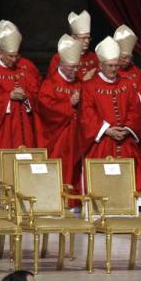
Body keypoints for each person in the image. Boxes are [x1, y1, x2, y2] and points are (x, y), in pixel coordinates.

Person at [79, 37, 141, 191]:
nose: (113, 70)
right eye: (109, 66)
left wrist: (127, 129)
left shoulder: (127, 84)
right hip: (101, 141)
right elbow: (87, 113)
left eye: (116, 66)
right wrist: (107, 130)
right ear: (100, 65)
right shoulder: (90, 86)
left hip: (125, 140)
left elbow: (135, 110)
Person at [0, 20, 40, 184]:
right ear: (0, 52)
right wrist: (8, 97)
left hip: (23, 127)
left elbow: (36, 93)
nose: (14, 59)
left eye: (16, 55)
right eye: (10, 56)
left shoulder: (24, 71)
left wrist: (26, 98)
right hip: (2, 127)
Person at [35, 35, 86, 191]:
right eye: (71, 67)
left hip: (77, 136)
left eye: (77, 67)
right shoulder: (50, 84)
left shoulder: (80, 83)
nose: (74, 71)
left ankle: (75, 201)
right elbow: (45, 108)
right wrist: (69, 103)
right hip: (57, 138)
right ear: (61, 64)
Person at [114, 24, 141, 179]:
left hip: (135, 127)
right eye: (123, 57)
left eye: (129, 57)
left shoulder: (136, 72)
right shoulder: (110, 71)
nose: (126, 61)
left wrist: (135, 97)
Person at [48, 10, 98, 81]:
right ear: (73, 38)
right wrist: (83, 80)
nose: (87, 41)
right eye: (83, 38)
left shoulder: (94, 57)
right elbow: (53, 83)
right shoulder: (59, 57)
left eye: (88, 38)